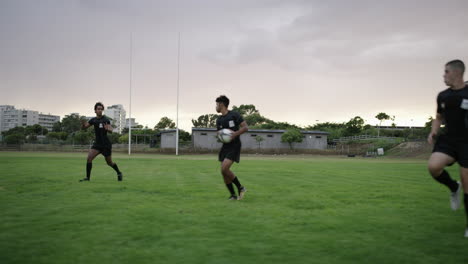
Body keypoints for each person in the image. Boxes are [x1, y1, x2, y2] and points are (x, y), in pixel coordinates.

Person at [427, 60, 468, 238]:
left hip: (467, 142)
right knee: (434, 166)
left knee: (467, 184)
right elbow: (438, 117)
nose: (443, 76)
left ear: (457, 73)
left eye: (446, 72)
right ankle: (453, 187)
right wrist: (434, 131)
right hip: (449, 140)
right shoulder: (443, 96)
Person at [79, 102, 123, 182]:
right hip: (97, 144)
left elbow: (111, 130)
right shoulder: (93, 120)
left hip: (105, 145)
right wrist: (82, 125)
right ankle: (87, 178)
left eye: (101, 109)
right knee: (89, 158)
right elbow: (85, 127)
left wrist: (109, 129)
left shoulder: (105, 120)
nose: (100, 110)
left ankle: (119, 172)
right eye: (98, 109)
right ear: (95, 110)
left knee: (109, 163)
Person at [215, 95, 248, 200]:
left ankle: (240, 187)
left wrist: (234, 134)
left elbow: (245, 127)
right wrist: (221, 136)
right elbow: (219, 134)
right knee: (223, 172)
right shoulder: (219, 120)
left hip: (235, 145)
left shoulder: (234, 114)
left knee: (225, 168)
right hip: (225, 146)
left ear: (221, 104)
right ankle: (233, 195)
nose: (216, 106)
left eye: (217, 104)